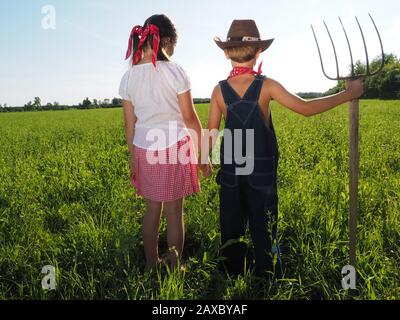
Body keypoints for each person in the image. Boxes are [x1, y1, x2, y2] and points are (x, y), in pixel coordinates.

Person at [206, 19, 364, 278]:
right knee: (264, 225)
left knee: (231, 225)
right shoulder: (267, 86)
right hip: (262, 173)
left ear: (225, 53)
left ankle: (232, 272)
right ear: (259, 52)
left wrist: (206, 161)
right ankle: (267, 276)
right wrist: (347, 94)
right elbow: (305, 109)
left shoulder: (218, 91)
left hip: (231, 172)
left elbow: (212, 132)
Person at [119, 14, 210, 271]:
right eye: (172, 46)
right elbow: (191, 119)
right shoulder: (176, 71)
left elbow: (130, 125)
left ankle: (151, 263)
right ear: (166, 41)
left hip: (143, 149)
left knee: (151, 211)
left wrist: (133, 159)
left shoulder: (128, 78)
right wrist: (203, 154)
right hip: (175, 148)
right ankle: (174, 264)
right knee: (174, 213)